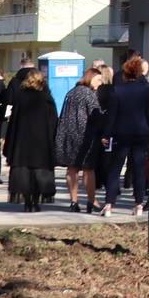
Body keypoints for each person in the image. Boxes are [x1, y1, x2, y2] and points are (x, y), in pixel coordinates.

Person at [98, 56, 149, 217]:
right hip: (141, 132)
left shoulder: (118, 90)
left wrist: (106, 134)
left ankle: (108, 205)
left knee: (115, 169)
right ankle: (139, 204)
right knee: (139, 169)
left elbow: (112, 115)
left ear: (125, 73)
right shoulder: (146, 91)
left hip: (121, 133)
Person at [3, 67, 59, 212]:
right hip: (41, 143)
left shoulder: (20, 98)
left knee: (25, 173)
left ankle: (27, 201)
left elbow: (13, 122)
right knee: (39, 173)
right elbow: (53, 123)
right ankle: (35, 200)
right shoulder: (46, 99)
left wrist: (11, 143)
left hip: (22, 143)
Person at [55, 66, 105, 212]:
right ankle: (92, 201)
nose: (100, 83)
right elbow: (95, 116)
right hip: (85, 135)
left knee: (72, 168)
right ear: (90, 78)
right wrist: (104, 115)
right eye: (98, 80)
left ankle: (74, 201)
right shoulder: (89, 94)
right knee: (88, 168)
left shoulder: (71, 92)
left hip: (68, 134)